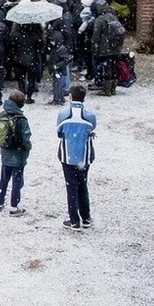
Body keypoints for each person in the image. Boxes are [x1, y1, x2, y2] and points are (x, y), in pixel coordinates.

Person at [56, 84, 98, 230]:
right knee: (83, 185)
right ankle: (86, 217)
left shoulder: (63, 114)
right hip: (84, 155)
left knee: (71, 186)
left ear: (70, 97)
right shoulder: (90, 115)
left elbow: (59, 133)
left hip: (67, 155)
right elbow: (92, 128)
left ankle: (74, 219)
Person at [0, 90, 32, 216]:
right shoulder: (21, 119)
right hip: (18, 154)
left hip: (5, 152)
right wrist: (28, 147)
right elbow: (26, 138)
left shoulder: (3, 114)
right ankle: (14, 206)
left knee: (3, 179)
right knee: (17, 181)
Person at [9, 20, 42, 103]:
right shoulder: (35, 35)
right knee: (31, 79)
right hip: (32, 59)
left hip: (20, 59)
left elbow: (12, 47)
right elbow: (40, 47)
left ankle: (22, 94)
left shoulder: (16, 35)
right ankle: (29, 96)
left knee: (21, 79)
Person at [46, 16, 70, 105]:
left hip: (57, 68)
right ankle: (60, 98)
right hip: (56, 68)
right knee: (57, 84)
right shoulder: (57, 48)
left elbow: (65, 60)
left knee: (57, 84)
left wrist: (56, 66)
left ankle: (57, 99)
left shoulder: (59, 49)